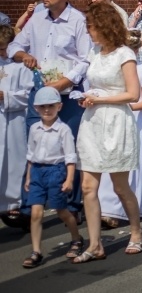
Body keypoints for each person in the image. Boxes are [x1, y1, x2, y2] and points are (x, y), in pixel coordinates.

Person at [9, 0, 92, 219]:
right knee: (33, 146)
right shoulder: (36, 19)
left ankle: (72, 205)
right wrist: (24, 56)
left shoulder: (78, 20)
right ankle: (28, 208)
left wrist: (64, 82)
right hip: (41, 94)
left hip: (68, 95)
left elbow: (86, 59)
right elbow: (14, 45)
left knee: (70, 149)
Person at [74, 1, 142, 263]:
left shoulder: (124, 54)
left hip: (116, 123)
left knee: (119, 186)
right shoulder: (95, 53)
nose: (89, 32)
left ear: (104, 26)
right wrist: (87, 97)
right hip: (93, 122)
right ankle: (95, 245)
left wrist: (100, 99)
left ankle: (136, 231)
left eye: (91, 27)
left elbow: (133, 94)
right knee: (88, 186)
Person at [97, 29, 142, 227]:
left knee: (132, 165)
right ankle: (109, 207)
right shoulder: (117, 70)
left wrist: (127, 105)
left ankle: (128, 208)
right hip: (116, 120)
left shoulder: (141, 70)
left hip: (136, 122)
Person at [22, 87, 83, 268]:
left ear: (59, 106)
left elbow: (71, 157)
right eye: (42, 107)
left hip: (56, 171)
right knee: (36, 212)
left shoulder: (63, 130)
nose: (47, 110)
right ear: (36, 108)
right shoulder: (34, 128)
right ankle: (36, 251)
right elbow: (31, 155)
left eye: (51, 106)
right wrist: (28, 176)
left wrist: (69, 179)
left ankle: (76, 238)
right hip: (37, 172)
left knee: (61, 211)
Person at [0, 25, 33, 218]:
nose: (3, 53)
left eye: (5, 48)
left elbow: (29, 94)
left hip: (15, 118)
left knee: (14, 159)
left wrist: (7, 96)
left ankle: (14, 201)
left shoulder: (22, 65)